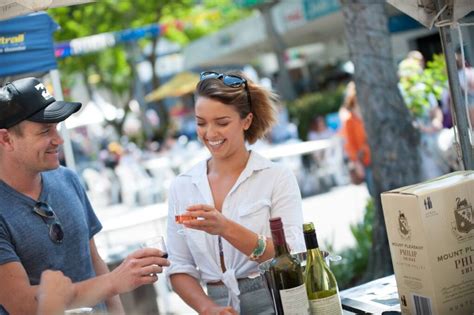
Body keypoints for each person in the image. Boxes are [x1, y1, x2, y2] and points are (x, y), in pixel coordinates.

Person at [0, 77, 169, 314]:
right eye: (45, 131)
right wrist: (113, 281)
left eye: (57, 127)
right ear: (6, 139)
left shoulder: (67, 178)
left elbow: (94, 262)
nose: (58, 139)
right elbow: (22, 305)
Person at [166, 71, 306, 314]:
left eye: (221, 123)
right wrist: (209, 309)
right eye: (201, 123)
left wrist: (226, 228)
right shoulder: (183, 186)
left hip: (276, 300)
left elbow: (292, 253)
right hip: (216, 305)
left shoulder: (276, 177)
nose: (209, 133)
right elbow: (179, 267)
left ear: (246, 121)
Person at [340, 81, 375, 197]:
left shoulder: (371, 113)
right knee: (373, 191)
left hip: (379, 158)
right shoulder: (350, 120)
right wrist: (357, 163)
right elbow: (350, 145)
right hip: (366, 161)